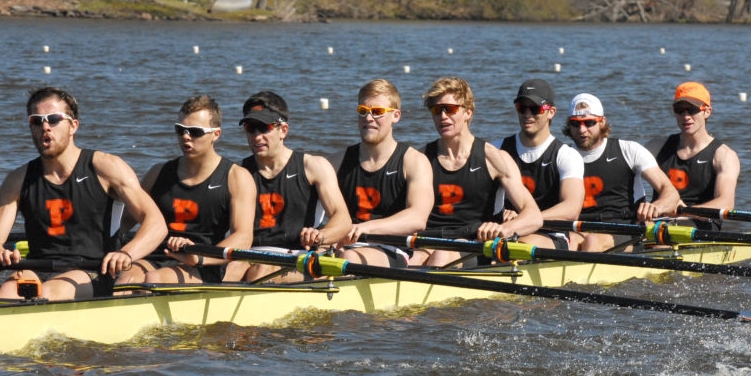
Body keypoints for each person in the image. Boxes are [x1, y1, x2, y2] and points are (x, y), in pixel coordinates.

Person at [0, 87, 167, 300]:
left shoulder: (106, 168)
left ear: (73, 126)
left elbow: (156, 224)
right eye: (36, 120)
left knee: (48, 292)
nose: (45, 126)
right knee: (7, 292)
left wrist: (126, 253)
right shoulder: (17, 180)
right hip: (36, 269)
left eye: (53, 119)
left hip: (93, 272)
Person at [117, 94, 256, 284]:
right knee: (127, 280)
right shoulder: (157, 173)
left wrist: (199, 256)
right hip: (154, 256)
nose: (185, 137)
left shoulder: (237, 177)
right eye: (180, 130)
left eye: (195, 132)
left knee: (154, 279)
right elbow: (124, 222)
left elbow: (243, 238)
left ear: (216, 134)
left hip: (202, 263)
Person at [412, 77, 542, 267]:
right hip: (429, 240)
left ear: (468, 112)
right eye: (436, 110)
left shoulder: (494, 158)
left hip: (476, 244)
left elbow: (533, 216)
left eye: (450, 109)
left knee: (442, 254)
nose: (442, 116)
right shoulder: (420, 158)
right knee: (414, 260)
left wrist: (502, 229)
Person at [228, 91, 352, 282]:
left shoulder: (313, 167)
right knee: (231, 269)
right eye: (250, 128)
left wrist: (320, 236)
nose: (257, 136)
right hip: (249, 255)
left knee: (261, 271)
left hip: (298, 256)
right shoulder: (238, 172)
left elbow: (343, 219)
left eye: (264, 127)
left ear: (283, 130)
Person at [333, 79, 433, 267]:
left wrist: (364, 228)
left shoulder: (413, 161)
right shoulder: (337, 162)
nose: (368, 118)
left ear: (396, 116)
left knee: (348, 259)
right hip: (343, 246)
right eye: (363, 111)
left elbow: (417, 218)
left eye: (377, 112)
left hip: (390, 249)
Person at [562, 93, 681, 251]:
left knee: (593, 242)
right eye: (575, 124)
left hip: (627, 228)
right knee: (566, 244)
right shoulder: (563, 156)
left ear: (602, 121)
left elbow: (671, 193)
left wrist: (656, 207)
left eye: (589, 122)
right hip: (581, 228)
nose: (582, 130)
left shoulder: (629, 150)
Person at [495, 78, 584, 249]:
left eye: (535, 109)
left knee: (512, 248)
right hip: (504, 232)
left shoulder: (566, 155)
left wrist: (525, 221)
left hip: (550, 234)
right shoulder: (497, 149)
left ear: (551, 112)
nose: (527, 115)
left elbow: (571, 208)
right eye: (522, 108)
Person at [647, 81, 739, 229]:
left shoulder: (724, 156)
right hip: (659, 222)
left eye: (692, 109)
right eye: (680, 110)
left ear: (707, 111)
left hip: (702, 224)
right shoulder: (656, 147)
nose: (686, 116)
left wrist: (683, 213)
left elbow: (726, 203)